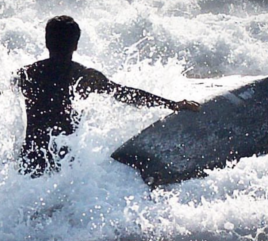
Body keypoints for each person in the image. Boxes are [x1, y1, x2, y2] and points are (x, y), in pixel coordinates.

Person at [15, 15, 200, 177]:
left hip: (30, 161)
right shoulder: (83, 76)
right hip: (65, 164)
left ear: (46, 42)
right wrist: (172, 104)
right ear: (76, 45)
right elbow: (126, 94)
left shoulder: (27, 75)